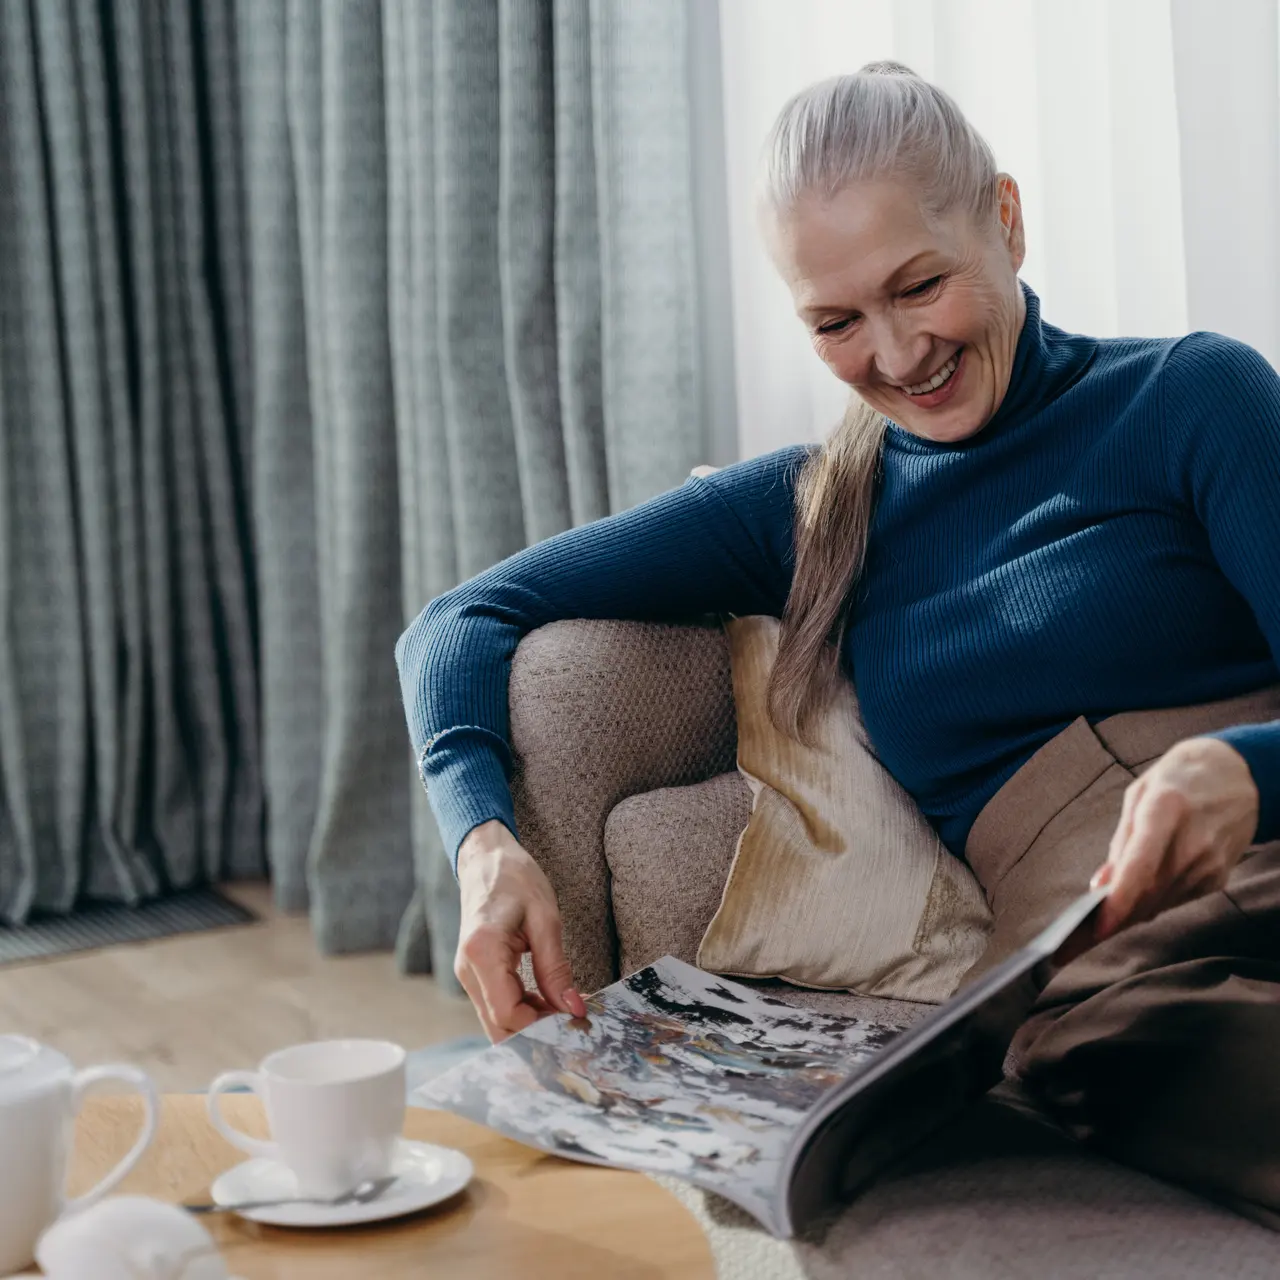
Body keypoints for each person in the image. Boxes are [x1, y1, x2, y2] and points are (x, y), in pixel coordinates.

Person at [396, 63, 1280, 1224]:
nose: (897, 353)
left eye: (919, 286)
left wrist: (1242, 767)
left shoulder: (1189, 396)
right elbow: (456, 621)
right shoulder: (812, 510)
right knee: (1123, 1053)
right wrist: (484, 846)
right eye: (834, 321)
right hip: (1116, 975)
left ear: (1004, 221)